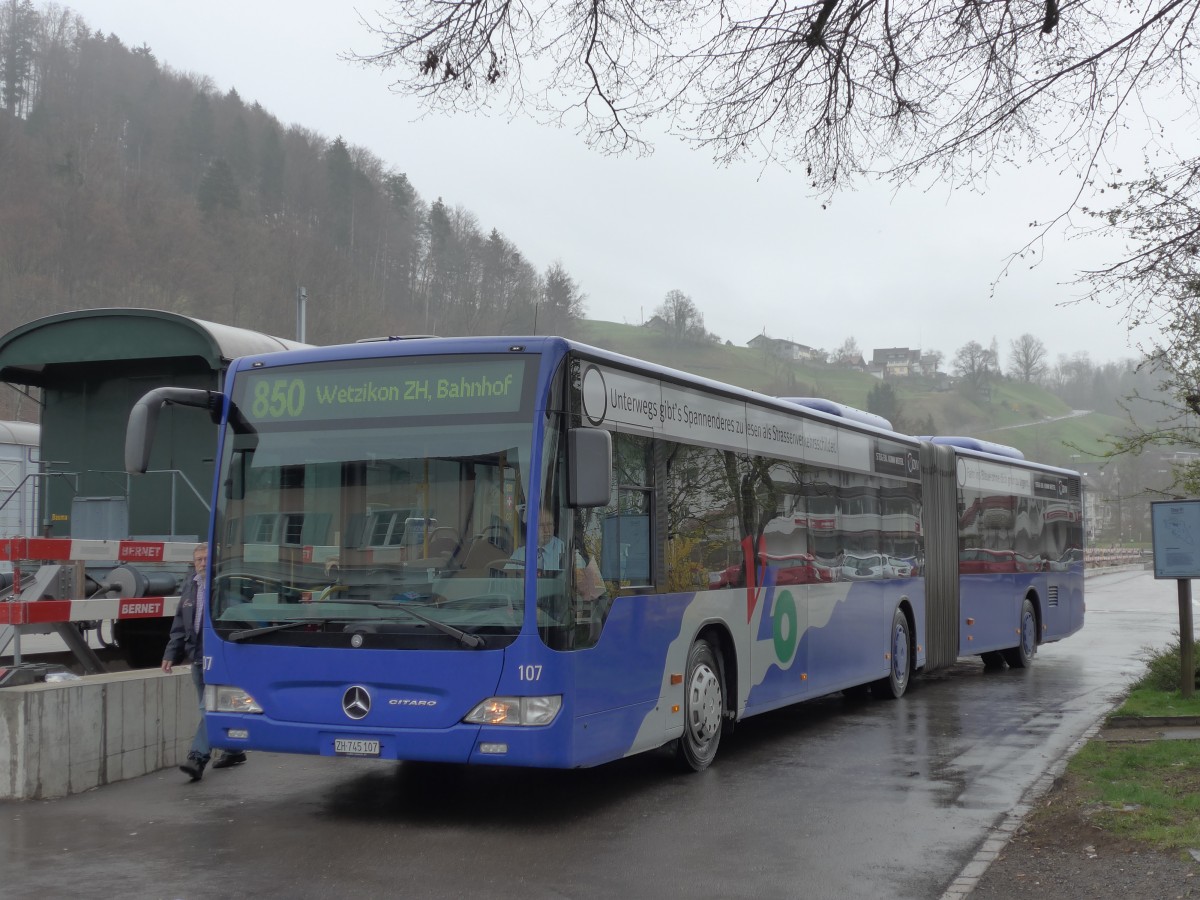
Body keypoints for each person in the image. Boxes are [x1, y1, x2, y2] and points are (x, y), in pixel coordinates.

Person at [162, 543, 247, 781]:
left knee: (207, 708)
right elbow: (180, 625)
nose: (201, 563)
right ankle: (234, 750)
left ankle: (197, 758)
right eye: (198, 559)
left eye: (206, 559)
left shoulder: (224, 587)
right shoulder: (191, 587)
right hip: (197, 659)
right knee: (210, 707)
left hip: (218, 659)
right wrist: (171, 654)